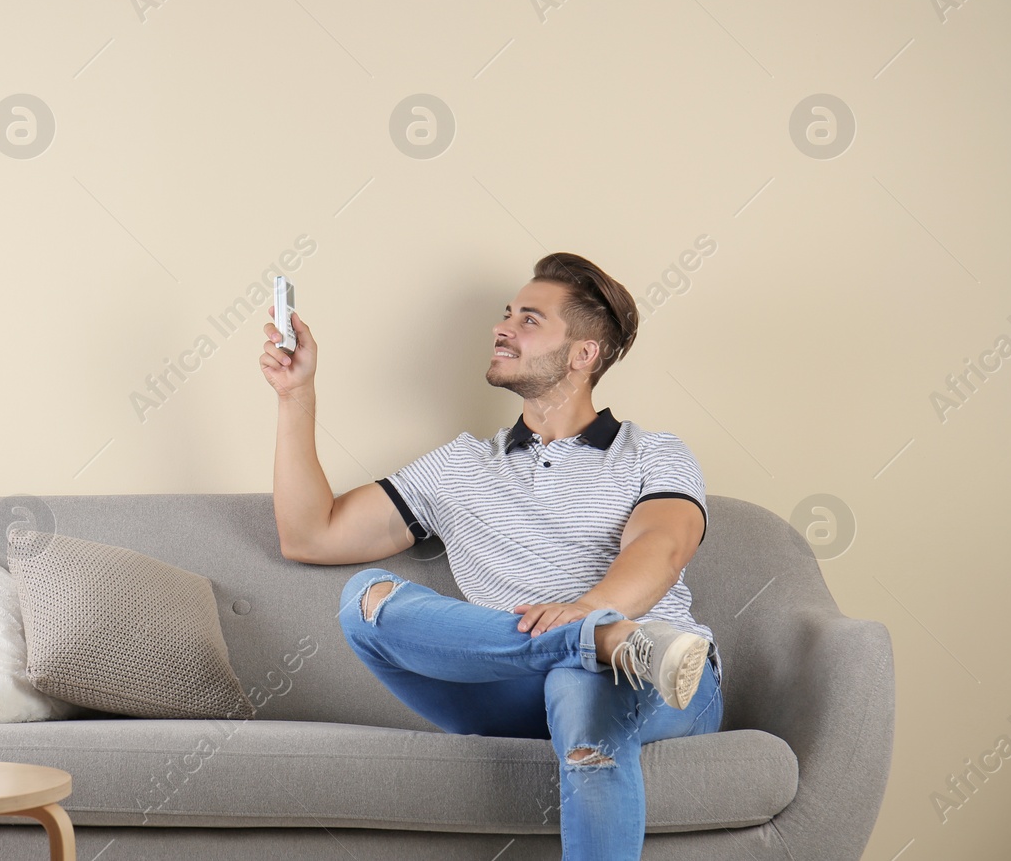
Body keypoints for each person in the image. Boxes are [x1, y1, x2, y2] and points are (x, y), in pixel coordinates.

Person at [261, 252, 722, 860]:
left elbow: (662, 547)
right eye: (507, 315)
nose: (503, 328)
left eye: (529, 320)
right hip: (517, 681)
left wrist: (587, 607)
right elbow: (310, 535)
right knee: (366, 601)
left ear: (585, 354)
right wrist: (296, 395)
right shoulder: (459, 466)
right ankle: (600, 642)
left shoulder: (650, 453)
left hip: (655, 681)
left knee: (581, 687)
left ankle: (595, 652)